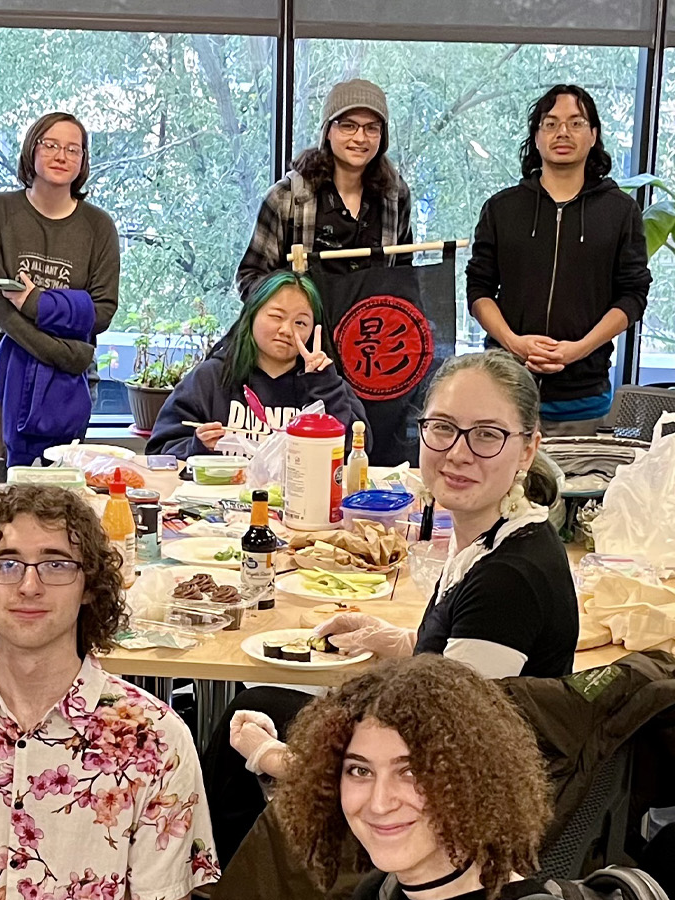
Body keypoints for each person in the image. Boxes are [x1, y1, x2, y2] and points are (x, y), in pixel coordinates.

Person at [204, 350, 579, 861]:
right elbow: (457, 672)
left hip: (452, 828)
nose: (459, 453)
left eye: (488, 435)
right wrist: (394, 640)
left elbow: (442, 766)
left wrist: (274, 759)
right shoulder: (494, 537)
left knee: (240, 741)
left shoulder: (509, 580)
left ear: (527, 450)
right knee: (261, 704)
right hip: (440, 760)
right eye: (443, 428)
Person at [0, 484, 221, 900]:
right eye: (7, 564)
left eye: (56, 564)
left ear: (89, 587)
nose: (29, 586)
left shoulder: (157, 740)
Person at [269, 655, 556, 900]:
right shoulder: (378, 888)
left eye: (411, 772)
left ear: (474, 780)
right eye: (360, 771)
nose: (380, 803)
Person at [466, 84, 649, 436]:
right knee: (499, 489)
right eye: (550, 124)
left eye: (575, 123)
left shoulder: (620, 211)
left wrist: (578, 349)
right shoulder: (502, 209)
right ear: (536, 138)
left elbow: (633, 294)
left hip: (584, 395)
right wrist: (513, 342)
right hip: (504, 390)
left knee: (578, 490)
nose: (562, 132)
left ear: (593, 135)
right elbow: (479, 288)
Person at [0, 112, 117, 466]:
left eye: (73, 149)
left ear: (83, 161)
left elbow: (101, 312)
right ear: (31, 150)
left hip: (71, 381)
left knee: (59, 493)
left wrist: (35, 302)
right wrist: (64, 350)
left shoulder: (99, 226)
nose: (61, 156)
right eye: (50, 145)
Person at [148, 270, 365, 459]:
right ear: (252, 315)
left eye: (300, 322)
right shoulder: (211, 378)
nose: (287, 330)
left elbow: (355, 452)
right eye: (276, 316)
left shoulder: (327, 384)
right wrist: (198, 448)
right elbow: (159, 452)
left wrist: (324, 386)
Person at [238, 79, 413, 294]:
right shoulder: (286, 197)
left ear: (382, 136)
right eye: (348, 126)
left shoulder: (396, 196)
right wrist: (290, 309)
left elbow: (404, 274)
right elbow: (251, 278)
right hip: (304, 325)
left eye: (371, 128)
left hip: (371, 324)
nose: (360, 138)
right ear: (328, 131)